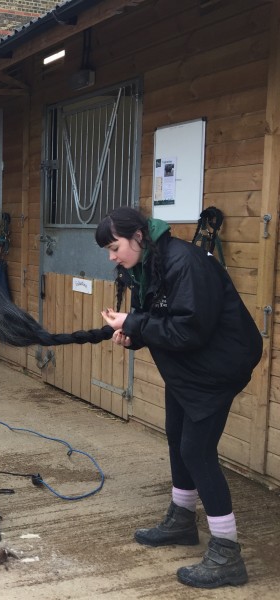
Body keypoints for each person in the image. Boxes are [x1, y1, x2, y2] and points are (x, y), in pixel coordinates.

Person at [96, 206, 262, 589]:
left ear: (138, 236)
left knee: (197, 450)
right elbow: (156, 319)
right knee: (176, 434)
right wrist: (132, 334)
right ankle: (183, 521)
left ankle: (226, 552)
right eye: (107, 250)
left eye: (114, 246)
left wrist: (135, 323)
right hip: (187, 365)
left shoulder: (184, 263)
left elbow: (190, 329)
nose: (112, 256)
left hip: (218, 366)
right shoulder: (146, 265)